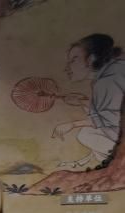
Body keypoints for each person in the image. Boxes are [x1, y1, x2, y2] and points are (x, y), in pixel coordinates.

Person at [52, 33, 124, 168]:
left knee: (85, 135)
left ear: (91, 59)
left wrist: (73, 124)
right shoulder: (115, 70)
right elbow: (108, 115)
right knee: (90, 134)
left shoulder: (107, 81)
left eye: (73, 60)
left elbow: (112, 122)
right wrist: (82, 102)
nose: (67, 68)